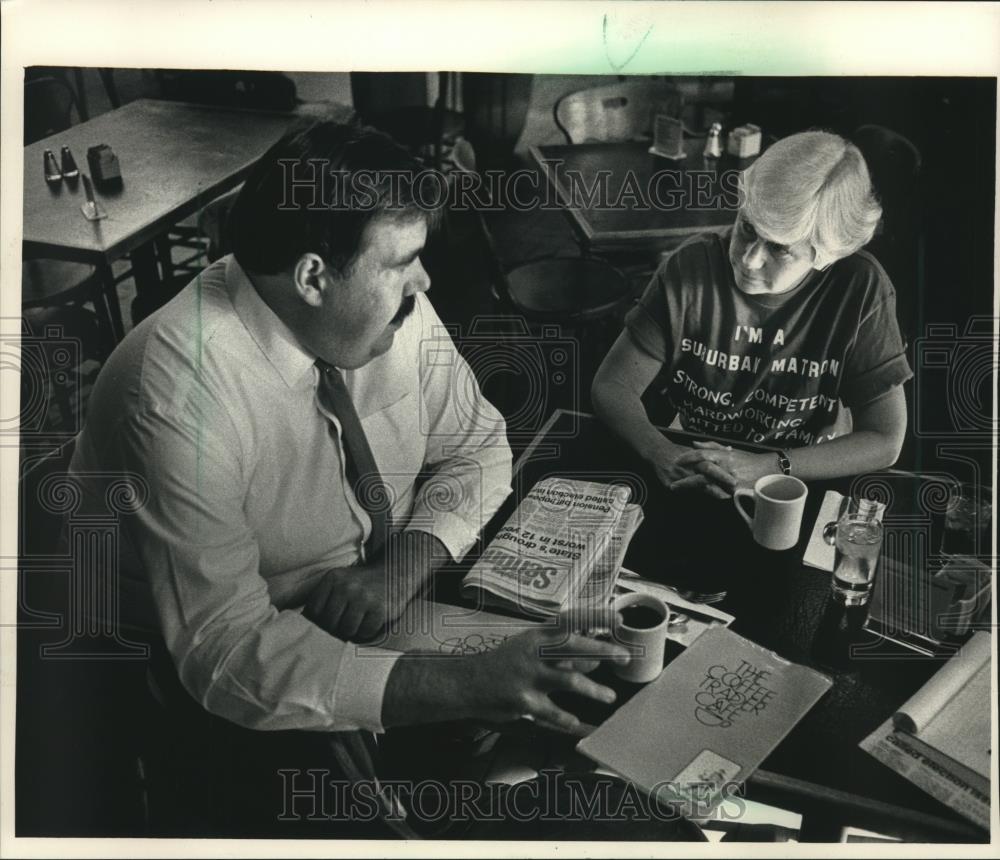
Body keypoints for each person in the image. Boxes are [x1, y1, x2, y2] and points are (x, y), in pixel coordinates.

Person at [68, 120, 627, 832]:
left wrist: (402, 567)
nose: (425, 284)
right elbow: (225, 650)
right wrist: (462, 683)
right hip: (198, 661)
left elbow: (479, 444)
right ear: (311, 276)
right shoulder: (178, 395)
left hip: (375, 594)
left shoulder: (391, 311)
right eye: (403, 262)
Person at [592, 130, 912, 499]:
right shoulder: (691, 267)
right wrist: (659, 450)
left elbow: (885, 439)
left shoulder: (860, 287)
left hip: (808, 468)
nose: (748, 259)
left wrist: (768, 466)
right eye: (747, 228)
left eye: (780, 249)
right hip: (696, 458)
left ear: (826, 254)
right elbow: (612, 385)